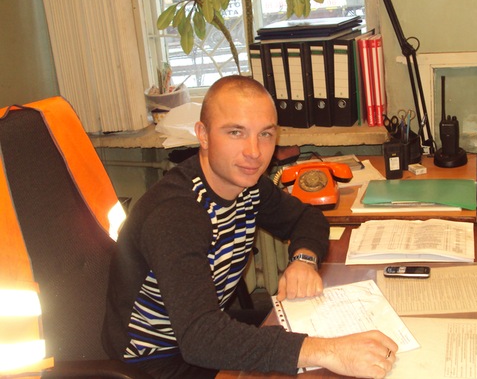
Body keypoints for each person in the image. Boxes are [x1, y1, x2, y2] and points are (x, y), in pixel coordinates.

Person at [102, 75, 397, 378]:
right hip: (156, 362)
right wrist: (329, 351)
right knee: (325, 357)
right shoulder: (176, 214)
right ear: (203, 135)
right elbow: (201, 338)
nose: (254, 151)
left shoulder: (248, 186)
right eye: (236, 132)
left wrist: (304, 259)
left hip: (203, 335)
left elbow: (308, 218)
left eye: (265, 134)